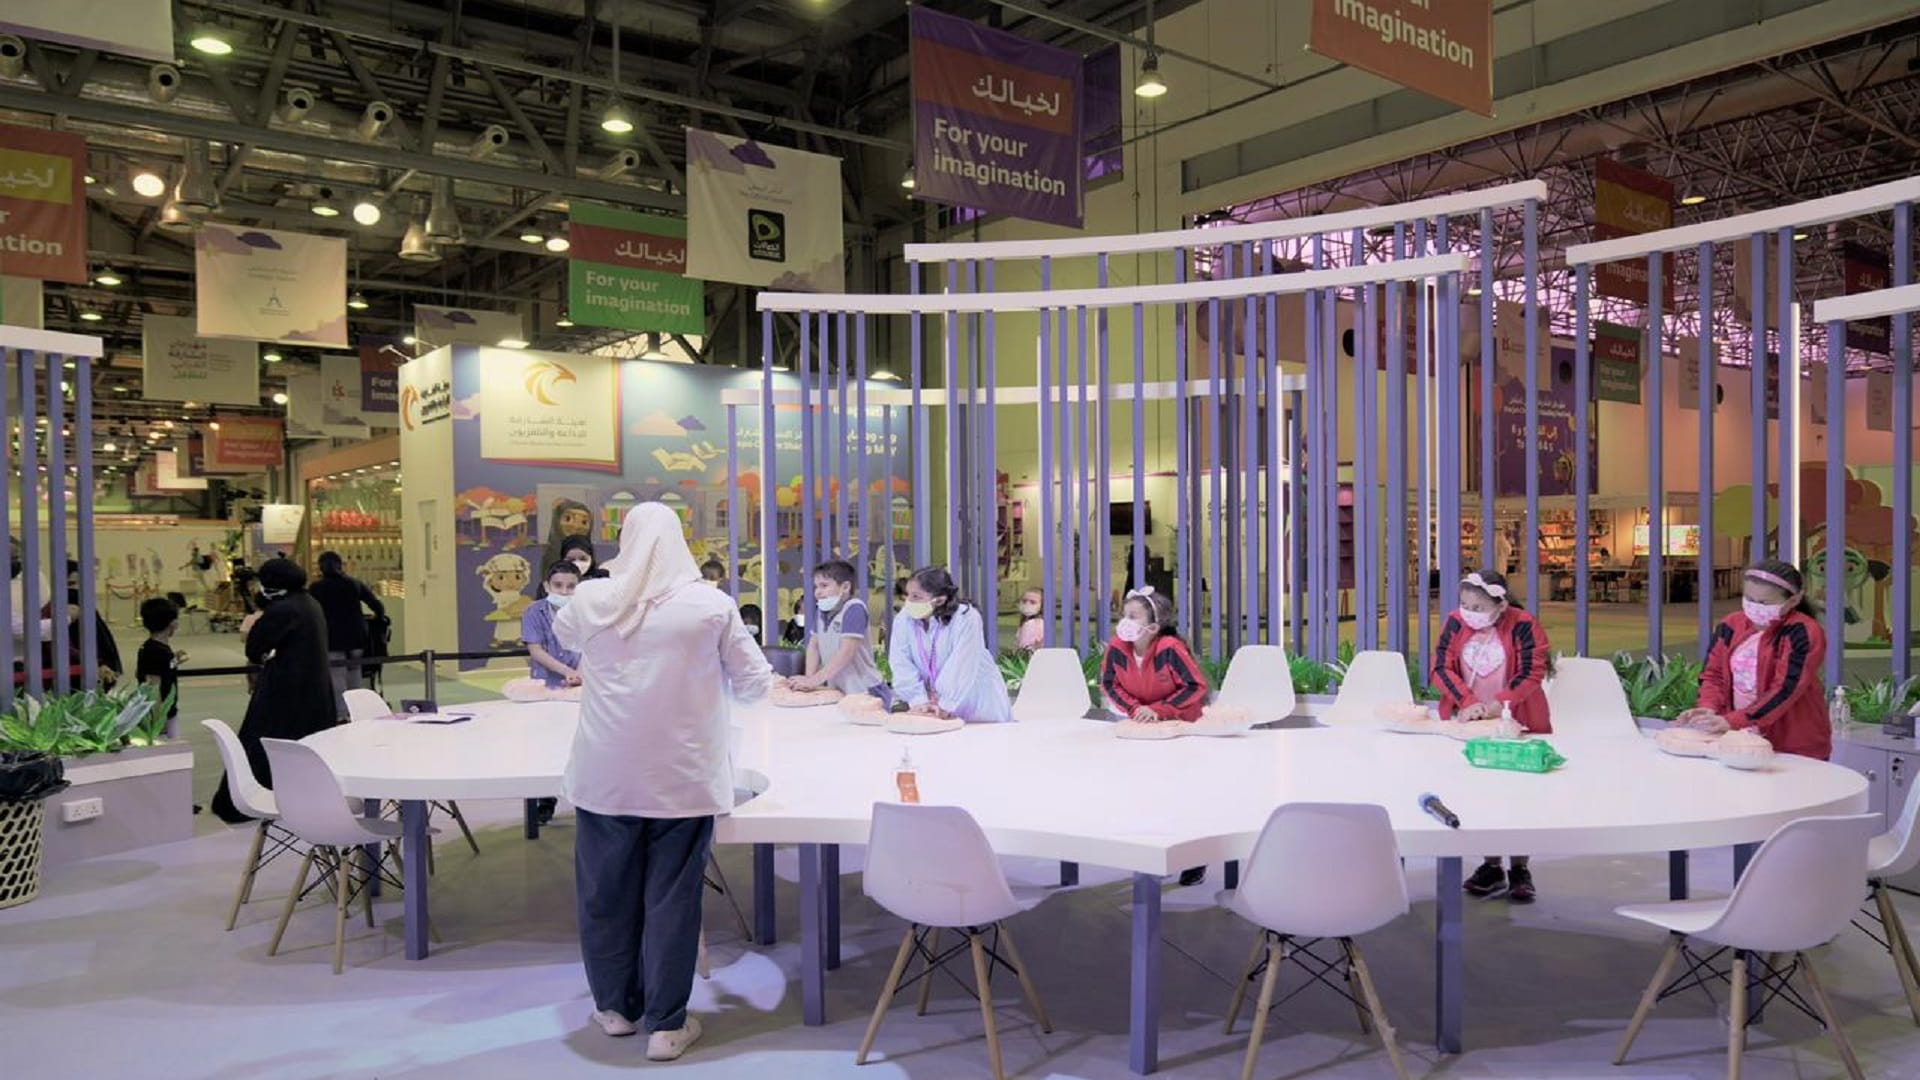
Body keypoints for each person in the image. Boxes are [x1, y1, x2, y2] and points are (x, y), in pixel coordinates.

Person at [555, 503, 773, 1059]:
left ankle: (614, 1009)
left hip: (605, 776)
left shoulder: (592, 598)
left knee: (605, 895)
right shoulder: (711, 605)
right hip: (683, 779)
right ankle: (668, 1025)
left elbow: (564, 637)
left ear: (626, 540)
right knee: (674, 902)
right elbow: (755, 683)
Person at [1430, 569, 1553, 904]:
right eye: (1465, 604)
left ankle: (1520, 868)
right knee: (1477, 793)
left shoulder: (1524, 624)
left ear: (1500, 605)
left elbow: (1532, 671)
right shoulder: (1455, 622)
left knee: (1519, 796)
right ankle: (1491, 865)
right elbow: (1440, 667)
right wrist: (1467, 702)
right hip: (1469, 723)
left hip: (1518, 721)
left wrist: (1501, 704)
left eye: (1479, 607)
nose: (1470, 612)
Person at [210, 558, 336, 824]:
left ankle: (246, 802)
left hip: (284, 692)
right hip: (315, 689)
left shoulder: (283, 610)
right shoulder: (311, 603)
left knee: (264, 744)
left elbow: (255, 647)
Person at [1679, 558, 1828, 760]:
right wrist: (1708, 708)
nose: (1755, 607)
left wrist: (1736, 720)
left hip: (1792, 742)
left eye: (1764, 602)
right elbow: (1713, 675)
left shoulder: (1803, 632)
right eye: (1749, 598)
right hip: (1738, 738)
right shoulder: (1731, 624)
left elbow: (1785, 689)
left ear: (1793, 600)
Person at [888, 566, 1012, 724]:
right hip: (931, 708)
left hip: (976, 702)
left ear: (940, 599)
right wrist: (918, 701)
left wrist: (946, 704)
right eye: (908, 595)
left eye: (916, 596)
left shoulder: (966, 617)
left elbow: (963, 663)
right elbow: (900, 662)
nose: (909, 602)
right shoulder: (904, 619)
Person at [308, 551, 387, 718]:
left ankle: (342, 713)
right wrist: (378, 618)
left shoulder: (316, 588)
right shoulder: (354, 584)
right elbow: (376, 605)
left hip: (332, 638)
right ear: (340, 565)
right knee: (355, 672)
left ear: (321, 568)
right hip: (356, 636)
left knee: (337, 676)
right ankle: (356, 711)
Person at [789, 560, 883, 696]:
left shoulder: (854, 608)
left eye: (824, 586)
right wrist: (809, 680)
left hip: (866, 689)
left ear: (845, 587)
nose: (817, 592)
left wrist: (814, 681)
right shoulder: (821, 611)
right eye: (816, 587)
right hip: (840, 689)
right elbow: (814, 646)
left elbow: (846, 653)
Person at [136, 596, 185, 732]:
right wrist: (159, 721)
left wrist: (175, 660)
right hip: (162, 715)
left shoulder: (155, 648)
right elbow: (153, 687)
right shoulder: (155, 651)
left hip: (168, 712)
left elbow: (160, 668)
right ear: (173, 623)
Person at [540, 498, 596, 583]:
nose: (576, 526)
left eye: (584, 522)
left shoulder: (590, 556)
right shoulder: (552, 555)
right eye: (568, 519)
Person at [1014, 588, 1046, 653]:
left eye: (1033, 602)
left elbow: (1023, 650)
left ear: (1042, 606)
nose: (1027, 604)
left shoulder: (1030, 625)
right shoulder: (1041, 622)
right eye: (1024, 601)